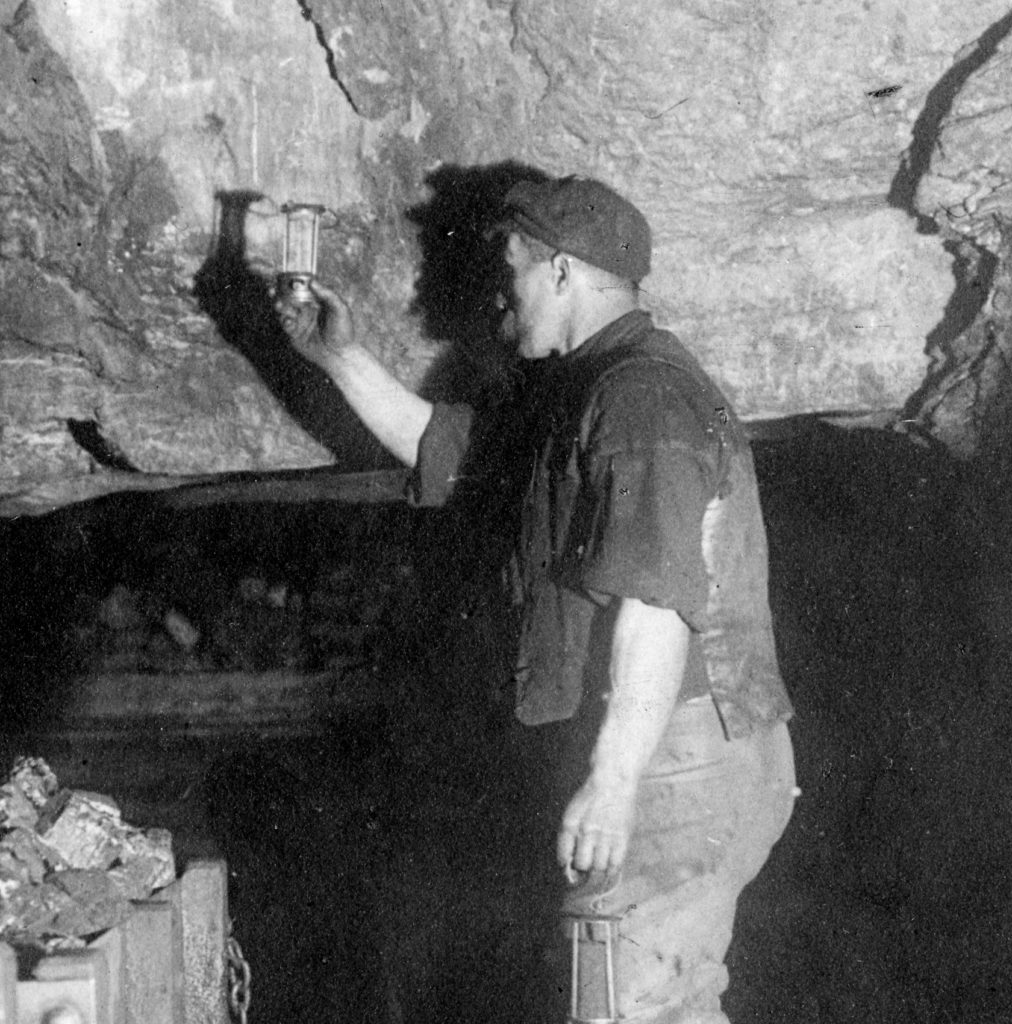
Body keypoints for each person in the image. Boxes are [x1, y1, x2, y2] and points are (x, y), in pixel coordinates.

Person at [280, 175, 796, 1024]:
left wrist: (614, 778)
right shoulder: (585, 394)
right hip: (675, 747)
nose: (497, 293)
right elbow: (441, 446)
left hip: (676, 753)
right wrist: (337, 355)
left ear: (562, 273)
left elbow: (656, 603)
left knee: (624, 1007)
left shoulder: (640, 396)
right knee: (644, 1001)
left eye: (513, 267)